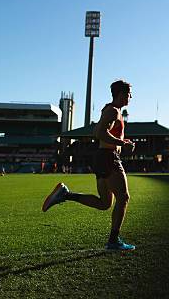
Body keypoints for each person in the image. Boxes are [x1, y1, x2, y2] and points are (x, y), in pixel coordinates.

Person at [42, 79, 136, 250]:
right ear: (122, 94)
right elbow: (99, 133)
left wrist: (121, 141)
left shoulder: (110, 110)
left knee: (105, 203)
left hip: (103, 157)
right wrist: (122, 144)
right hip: (109, 157)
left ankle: (66, 195)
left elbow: (98, 131)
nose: (131, 96)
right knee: (124, 198)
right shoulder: (113, 111)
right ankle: (114, 241)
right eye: (129, 93)